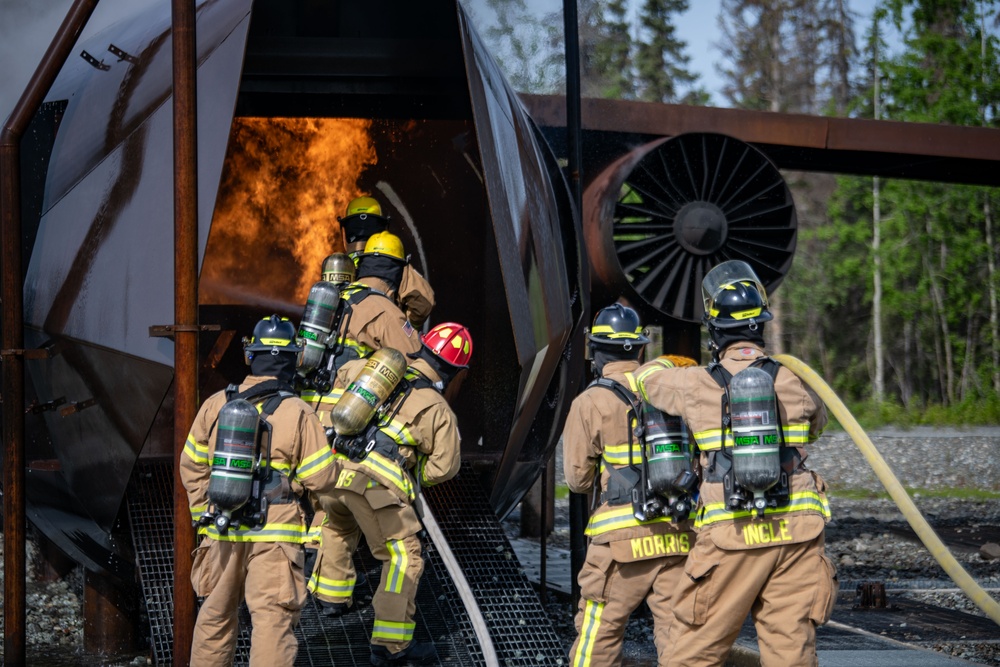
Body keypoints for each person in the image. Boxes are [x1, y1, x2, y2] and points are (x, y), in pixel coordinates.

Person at [636, 260, 836, 667]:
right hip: (798, 528)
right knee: (791, 652)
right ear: (760, 323)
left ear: (715, 328)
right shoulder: (795, 378)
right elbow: (816, 425)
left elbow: (644, 381)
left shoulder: (694, 383)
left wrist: (672, 361)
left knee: (693, 651)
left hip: (734, 531)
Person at [179, 315, 339, 667]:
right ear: (294, 359)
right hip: (276, 533)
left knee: (215, 617)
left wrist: (205, 513)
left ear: (250, 355)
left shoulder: (217, 403)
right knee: (271, 621)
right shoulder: (298, 411)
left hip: (222, 527)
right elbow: (322, 478)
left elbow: (190, 464)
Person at [316, 322, 473, 666]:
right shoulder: (436, 407)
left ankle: (331, 598)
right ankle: (391, 645)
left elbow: (331, 394)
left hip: (330, 473)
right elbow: (446, 467)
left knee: (338, 524)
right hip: (372, 488)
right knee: (403, 557)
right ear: (454, 371)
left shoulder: (367, 368)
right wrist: (411, 476)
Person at [563, 304, 695, 667]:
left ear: (595, 351)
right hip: (678, 532)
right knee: (681, 635)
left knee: (599, 629)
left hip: (620, 541)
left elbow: (577, 480)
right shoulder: (671, 393)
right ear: (639, 349)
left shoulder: (591, 401)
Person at [339, 195, 435, 328]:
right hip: (383, 343)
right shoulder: (392, 263)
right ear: (383, 226)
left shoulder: (335, 264)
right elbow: (424, 303)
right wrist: (402, 328)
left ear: (345, 230)